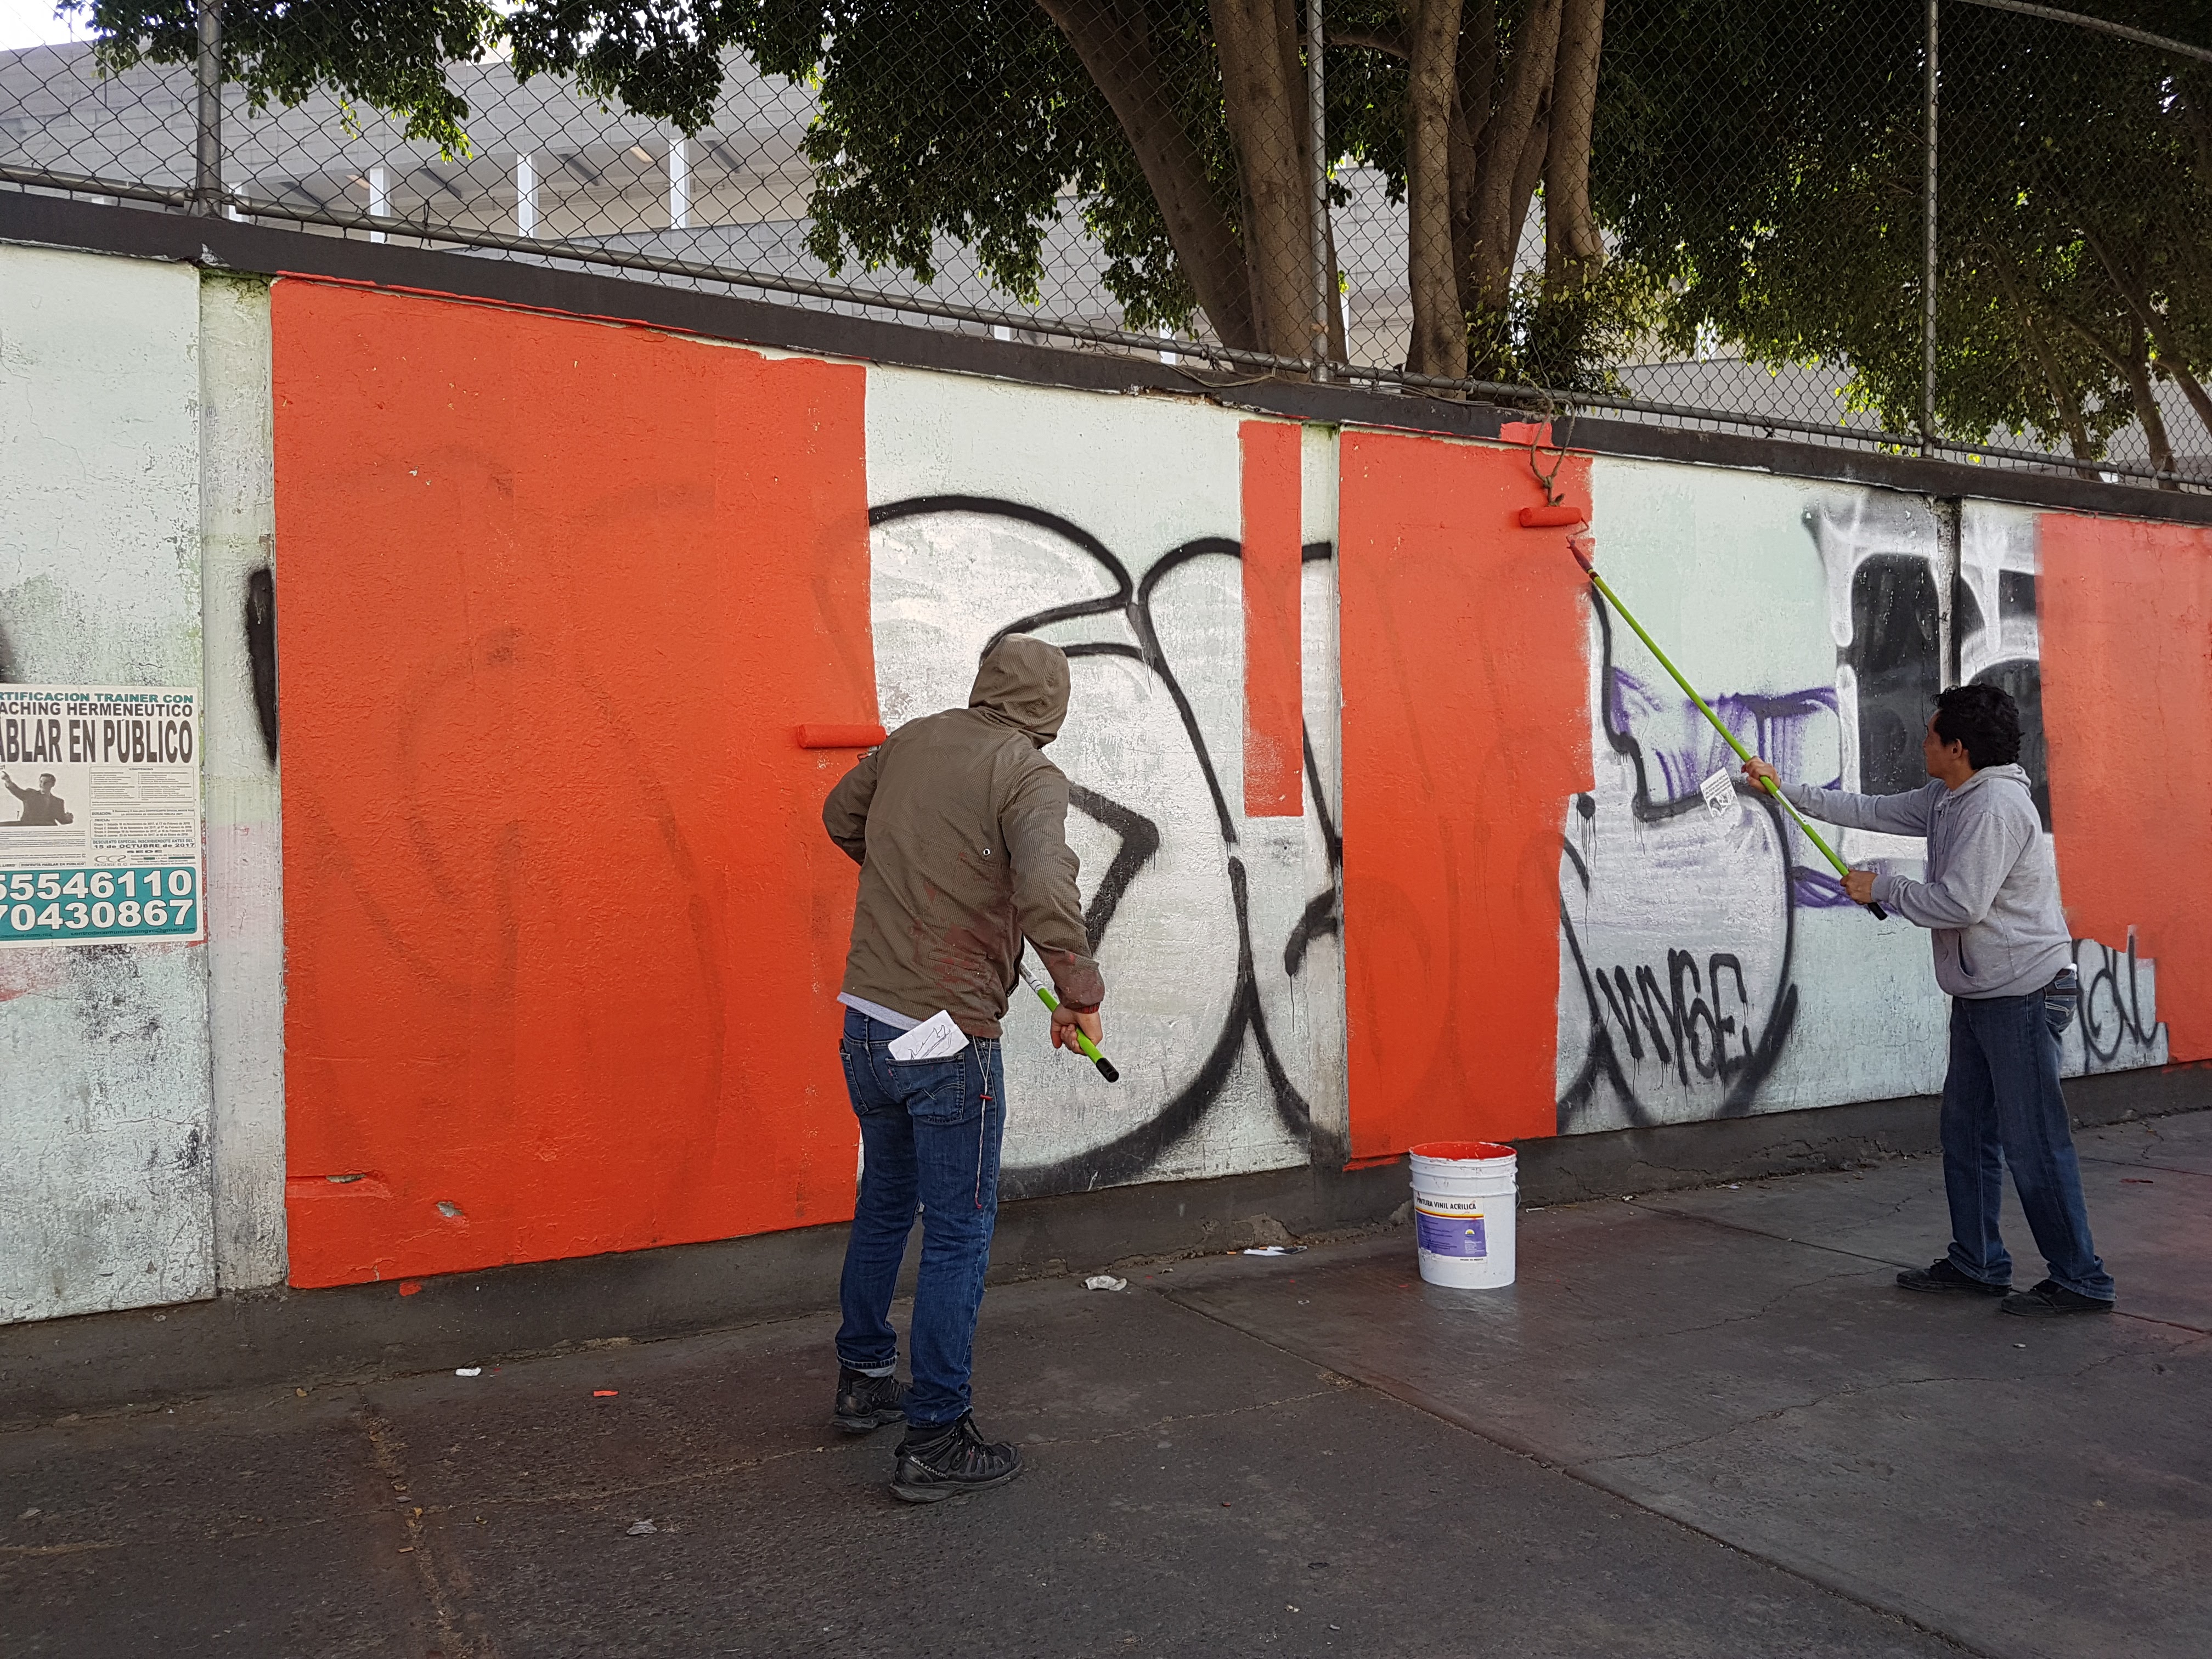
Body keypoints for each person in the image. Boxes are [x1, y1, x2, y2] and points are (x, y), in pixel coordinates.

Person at [821, 635, 1106, 1502]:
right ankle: (939, 1436)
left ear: (987, 685)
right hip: (949, 1042)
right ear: (1051, 711)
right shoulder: (1026, 773)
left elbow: (841, 819)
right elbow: (1048, 883)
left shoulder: (913, 739)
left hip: (867, 1026)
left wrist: (917, 881)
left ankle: (865, 1379)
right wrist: (1079, 990)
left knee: (885, 1204)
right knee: (957, 1232)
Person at [1745, 682, 2113, 1317]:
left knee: (2032, 1141)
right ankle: (1977, 1262)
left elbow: (1961, 903)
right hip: (1983, 992)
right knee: (1966, 1131)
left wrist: (1881, 888)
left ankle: (2080, 1278)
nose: (1922, 743)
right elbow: (1871, 809)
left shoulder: (1994, 808)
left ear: (1958, 748)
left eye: (1931, 735)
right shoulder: (1951, 796)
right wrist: (1783, 789)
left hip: (2024, 994)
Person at [3, 771, 71, 827]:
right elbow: (18, 791)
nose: (42, 784)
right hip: (27, 827)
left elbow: (62, 820)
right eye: (41, 782)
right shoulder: (30, 794)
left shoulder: (58, 802)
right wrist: (8, 782)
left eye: (46, 783)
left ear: (53, 785)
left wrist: (68, 818)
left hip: (46, 831)